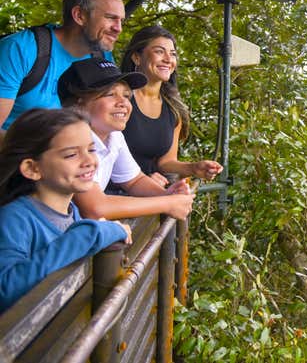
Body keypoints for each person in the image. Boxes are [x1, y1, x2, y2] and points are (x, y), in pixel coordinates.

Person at [0, 108, 131, 312]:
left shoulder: (71, 212)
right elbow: (5, 289)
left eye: (91, 149)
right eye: (71, 154)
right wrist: (93, 233)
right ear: (32, 169)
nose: (89, 161)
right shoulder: (14, 219)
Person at [58, 58, 195, 220]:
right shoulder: (68, 141)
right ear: (79, 104)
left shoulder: (113, 136)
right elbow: (95, 208)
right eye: (110, 94)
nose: (123, 103)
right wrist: (167, 203)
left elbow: (134, 180)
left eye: (126, 96)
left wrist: (167, 194)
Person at [0, 0, 126, 134]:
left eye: (121, 20)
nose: (118, 28)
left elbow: (109, 119)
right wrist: (48, 153)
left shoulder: (102, 57)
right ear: (79, 15)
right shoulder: (20, 48)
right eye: (110, 17)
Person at [119, 26, 222, 181]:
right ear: (136, 57)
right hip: (113, 193)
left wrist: (193, 167)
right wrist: (141, 181)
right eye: (159, 51)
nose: (168, 59)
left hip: (150, 192)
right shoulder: (118, 99)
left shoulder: (173, 109)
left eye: (172, 54)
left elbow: (166, 162)